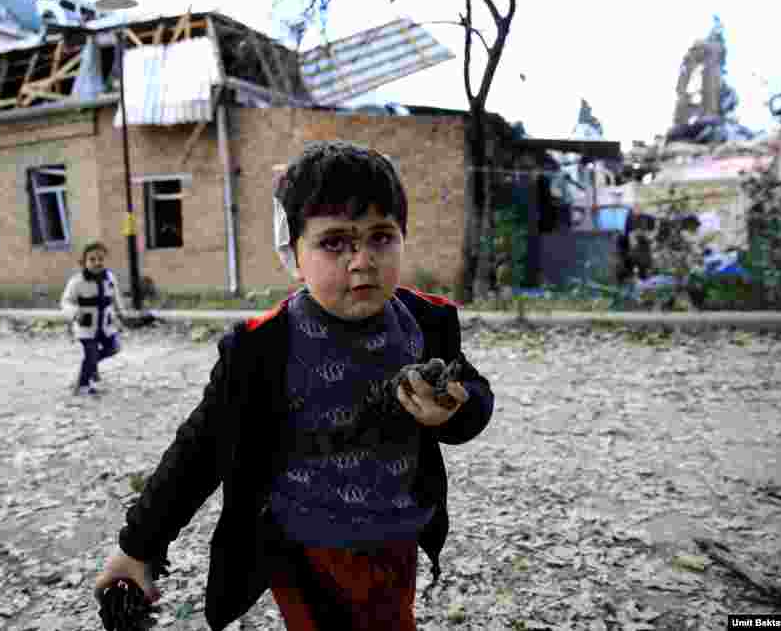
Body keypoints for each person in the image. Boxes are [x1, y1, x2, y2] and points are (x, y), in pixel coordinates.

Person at [93, 141, 495, 630]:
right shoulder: (262, 349)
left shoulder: (425, 324)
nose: (362, 260)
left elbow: (474, 395)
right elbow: (200, 448)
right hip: (302, 546)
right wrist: (139, 546)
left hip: (396, 536)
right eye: (334, 243)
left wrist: (455, 410)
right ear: (293, 252)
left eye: (381, 237)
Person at [61, 242, 127, 396]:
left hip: (106, 324)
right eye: (92, 259)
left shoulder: (109, 277)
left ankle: (91, 366)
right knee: (90, 354)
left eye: (100, 259)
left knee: (114, 348)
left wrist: (121, 313)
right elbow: (66, 301)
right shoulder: (77, 281)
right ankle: (82, 385)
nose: (97, 262)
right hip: (86, 327)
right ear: (83, 262)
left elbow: (116, 297)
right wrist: (74, 313)